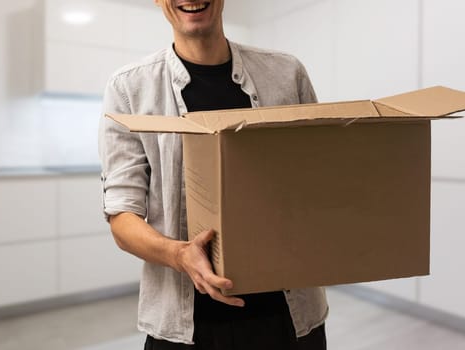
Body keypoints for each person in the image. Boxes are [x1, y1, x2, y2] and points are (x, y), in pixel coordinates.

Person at [98, 1, 328, 349]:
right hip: (186, 328)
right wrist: (178, 255)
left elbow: (320, 178)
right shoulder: (129, 88)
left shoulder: (285, 73)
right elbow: (122, 215)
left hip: (290, 319)